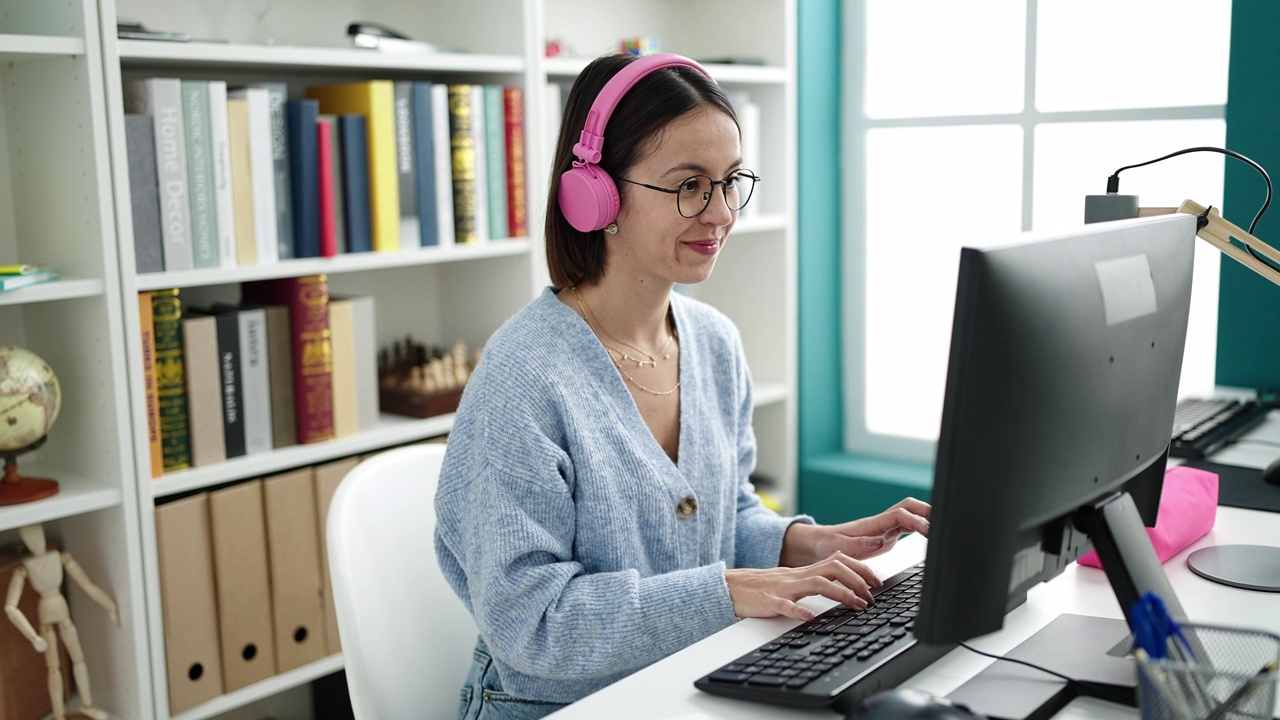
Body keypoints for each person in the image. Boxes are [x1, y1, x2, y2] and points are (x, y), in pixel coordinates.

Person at [434, 51, 930, 720]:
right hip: (560, 706)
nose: (721, 212)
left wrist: (803, 545)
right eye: (690, 185)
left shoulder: (715, 342)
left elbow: (725, 517)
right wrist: (727, 592)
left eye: (730, 181)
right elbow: (532, 623)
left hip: (690, 680)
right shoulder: (523, 380)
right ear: (597, 195)